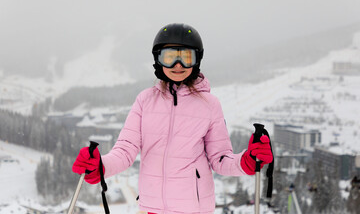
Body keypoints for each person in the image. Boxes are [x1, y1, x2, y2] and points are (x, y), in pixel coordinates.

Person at [72, 23, 273, 214]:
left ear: (197, 60)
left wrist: (247, 160)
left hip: (194, 209)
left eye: (186, 56)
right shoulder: (145, 100)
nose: (178, 65)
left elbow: (220, 159)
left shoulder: (210, 105)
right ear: (158, 60)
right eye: (170, 57)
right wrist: (99, 166)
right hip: (153, 208)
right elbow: (125, 151)